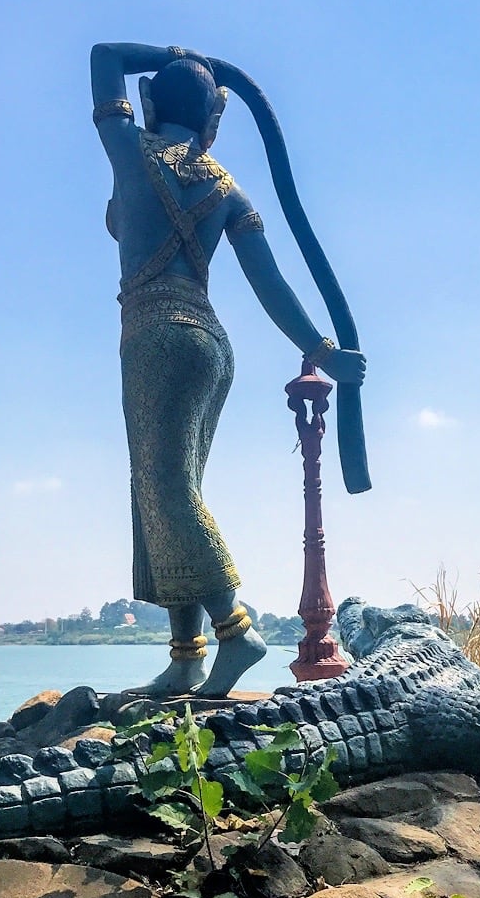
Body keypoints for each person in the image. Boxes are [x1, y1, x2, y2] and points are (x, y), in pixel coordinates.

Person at [91, 42, 366, 697]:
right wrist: (323, 350)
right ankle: (185, 654)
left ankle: (233, 629)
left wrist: (177, 53)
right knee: (162, 488)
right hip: (210, 346)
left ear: (153, 101)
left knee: (166, 488)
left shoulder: (132, 149)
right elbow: (269, 282)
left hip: (157, 335)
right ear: (213, 119)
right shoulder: (223, 184)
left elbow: (103, 57)